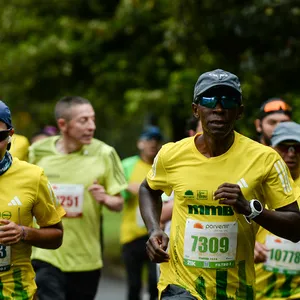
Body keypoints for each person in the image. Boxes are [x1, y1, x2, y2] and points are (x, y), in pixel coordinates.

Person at [138, 68, 300, 300]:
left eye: (228, 100)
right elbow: (148, 189)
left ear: (240, 111)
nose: (219, 108)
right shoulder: (172, 154)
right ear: (196, 109)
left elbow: (295, 227)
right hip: (180, 284)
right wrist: (154, 228)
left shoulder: (265, 159)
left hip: (235, 289)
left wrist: (250, 209)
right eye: (209, 99)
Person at [29, 96, 127, 300]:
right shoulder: (37, 152)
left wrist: (107, 199)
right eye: (83, 120)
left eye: (93, 119)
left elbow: (118, 203)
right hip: (46, 255)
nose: (91, 126)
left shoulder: (105, 153)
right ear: (63, 124)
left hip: (86, 259)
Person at [0, 100, 64, 299]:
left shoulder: (33, 176)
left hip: (16, 292)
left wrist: (23, 232)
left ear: (11, 135)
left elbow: (56, 236)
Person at [255, 121, 300, 299]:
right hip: (256, 289)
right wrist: (247, 245)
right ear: (269, 148)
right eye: (284, 147)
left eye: (297, 148)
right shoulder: (253, 182)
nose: (291, 154)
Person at [121, 126, 163, 300]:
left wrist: (138, 188)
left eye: (156, 141)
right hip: (132, 234)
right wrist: (127, 188)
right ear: (140, 143)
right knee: (134, 284)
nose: (152, 144)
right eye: (148, 140)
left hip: (157, 233)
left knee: (155, 283)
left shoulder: (163, 165)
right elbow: (119, 193)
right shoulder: (128, 164)